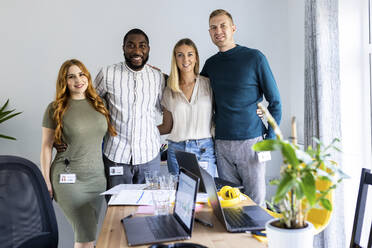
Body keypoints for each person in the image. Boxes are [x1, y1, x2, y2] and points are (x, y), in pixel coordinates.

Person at [200, 9, 282, 206]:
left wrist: (269, 140)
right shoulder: (211, 65)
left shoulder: (255, 58)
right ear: (209, 32)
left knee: (255, 204)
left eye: (222, 25)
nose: (218, 31)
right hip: (221, 144)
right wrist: (164, 77)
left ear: (233, 28)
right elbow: (192, 90)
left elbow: (275, 102)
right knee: (231, 205)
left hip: (251, 143)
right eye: (213, 27)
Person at [40, 59, 116, 248]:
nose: (78, 80)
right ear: (63, 81)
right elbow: (46, 146)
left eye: (81, 74)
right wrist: (46, 181)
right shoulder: (55, 108)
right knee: (85, 235)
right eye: (71, 76)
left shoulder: (100, 104)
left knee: (88, 234)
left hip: (97, 179)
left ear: (88, 77)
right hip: (69, 180)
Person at [94, 28, 165, 189]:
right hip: (116, 155)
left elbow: (164, 108)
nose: (137, 50)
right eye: (131, 45)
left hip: (149, 156)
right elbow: (90, 103)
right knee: (117, 208)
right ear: (123, 48)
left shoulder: (157, 77)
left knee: (147, 209)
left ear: (148, 48)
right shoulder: (107, 74)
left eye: (142, 45)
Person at [158, 38, 217, 177]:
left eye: (190, 54)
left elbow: (225, 110)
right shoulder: (170, 89)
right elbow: (167, 126)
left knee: (208, 196)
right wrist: (141, 131)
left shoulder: (208, 84)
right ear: (175, 59)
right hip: (176, 151)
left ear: (196, 57)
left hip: (204, 149)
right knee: (181, 197)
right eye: (180, 55)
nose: (185, 59)